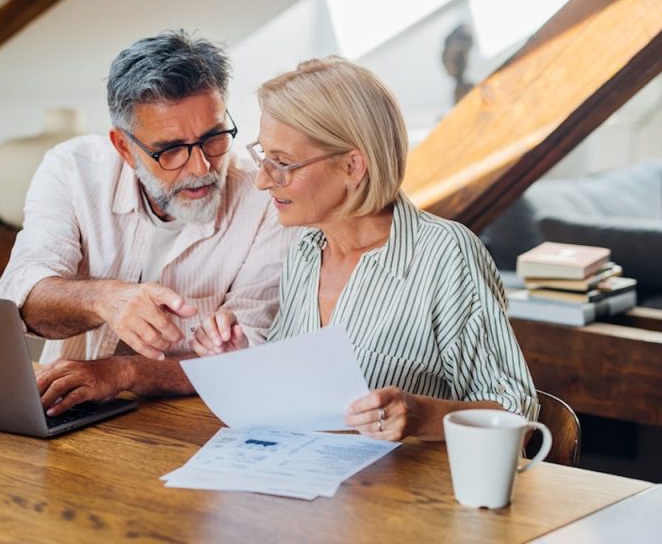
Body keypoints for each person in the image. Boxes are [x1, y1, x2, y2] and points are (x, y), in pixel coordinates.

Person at [191, 56, 537, 441]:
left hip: (411, 480)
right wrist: (240, 360)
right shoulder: (304, 250)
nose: (262, 180)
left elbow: (516, 416)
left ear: (353, 167)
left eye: (282, 163)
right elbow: (299, 398)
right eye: (264, 156)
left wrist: (421, 416)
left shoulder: (446, 255)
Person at [0, 30, 292, 416]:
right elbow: (21, 299)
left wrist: (124, 373)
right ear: (124, 147)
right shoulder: (72, 170)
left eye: (214, 138)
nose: (201, 167)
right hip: (67, 413)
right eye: (171, 150)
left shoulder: (266, 198)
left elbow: (250, 352)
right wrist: (106, 299)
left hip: (201, 419)